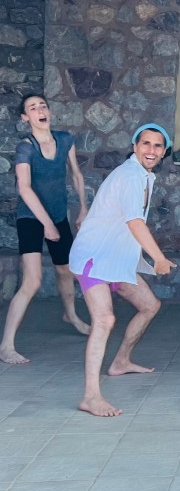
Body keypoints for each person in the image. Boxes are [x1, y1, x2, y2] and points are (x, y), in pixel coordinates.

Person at [70, 124, 177, 417]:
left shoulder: (144, 175)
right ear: (135, 146)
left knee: (149, 305)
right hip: (94, 257)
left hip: (116, 261)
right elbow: (134, 222)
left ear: (164, 152)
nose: (151, 150)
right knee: (104, 320)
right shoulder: (130, 176)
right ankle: (91, 397)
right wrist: (159, 258)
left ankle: (120, 362)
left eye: (157, 146)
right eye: (146, 144)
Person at [2, 94, 91, 364]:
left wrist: (83, 207)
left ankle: (70, 315)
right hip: (31, 218)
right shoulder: (25, 148)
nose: (40, 110)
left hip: (58, 214)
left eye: (43, 105)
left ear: (49, 112)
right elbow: (24, 188)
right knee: (33, 281)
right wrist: (47, 225)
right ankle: (6, 346)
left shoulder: (64, 140)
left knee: (65, 270)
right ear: (25, 117)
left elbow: (76, 174)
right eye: (33, 108)